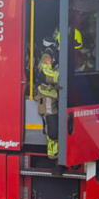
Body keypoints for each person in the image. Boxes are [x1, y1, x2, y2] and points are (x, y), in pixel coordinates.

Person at [37, 28, 60, 157]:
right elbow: (45, 74)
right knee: (52, 125)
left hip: (56, 93)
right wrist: (61, 77)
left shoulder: (56, 52)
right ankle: (53, 154)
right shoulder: (48, 54)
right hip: (47, 94)